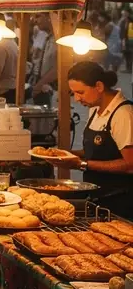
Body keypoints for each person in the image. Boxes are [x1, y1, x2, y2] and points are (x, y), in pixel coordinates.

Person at [55, 61, 133, 219]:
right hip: (98, 198)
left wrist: (82, 164)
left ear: (99, 86)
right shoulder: (94, 109)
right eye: (74, 93)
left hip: (121, 202)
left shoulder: (123, 114)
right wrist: (67, 155)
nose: (77, 99)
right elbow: (99, 151)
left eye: (80, 92)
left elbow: (130, 165)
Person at [29, 13, 57, 104]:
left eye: (38, 16)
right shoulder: (48, 38)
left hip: (55, 92)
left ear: (50, 17)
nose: (34, 20)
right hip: (43, 89)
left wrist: (39, 85)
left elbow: (59, 68)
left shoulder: (59, 39)